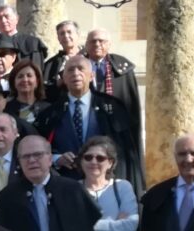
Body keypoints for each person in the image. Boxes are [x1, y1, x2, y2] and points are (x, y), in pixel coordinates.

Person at [37, 56, 144, 194]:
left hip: (106, 187)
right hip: (65, 188)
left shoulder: (112, 108)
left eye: (81, 69)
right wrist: (56, 159)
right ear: (64, 78)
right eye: (70, 70)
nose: (76, 73)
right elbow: (39, 150)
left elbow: (127, 156)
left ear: (91, 75)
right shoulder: (49, 114)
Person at [84, 29, 141, 147]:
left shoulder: (122, 68)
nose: (97, 44)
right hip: (87, 123)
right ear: (86, 45)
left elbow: (131, 104)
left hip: (115, 128)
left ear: (109, 44)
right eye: (93, 41)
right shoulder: (77, 67)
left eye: (101, 41)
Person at [0, 4, 48, 70]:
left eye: (6, 16)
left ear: (17, 19)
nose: (3, 20)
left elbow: (37, 70)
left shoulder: (32, 43)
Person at [42, 20, 83, 103]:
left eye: (69, 32)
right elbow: (44, 91)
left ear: (78, 35)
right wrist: (58, 83)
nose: (66, 36)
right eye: (62, 33)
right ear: (58, 39)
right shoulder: (50, 64)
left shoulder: (89, 58)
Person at [6, 59, 51, 124]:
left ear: (37, 81)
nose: (25, 80)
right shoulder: (6, 110)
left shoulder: (48, 109)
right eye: (20, 76)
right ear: (13, 82)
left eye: (29, 76)